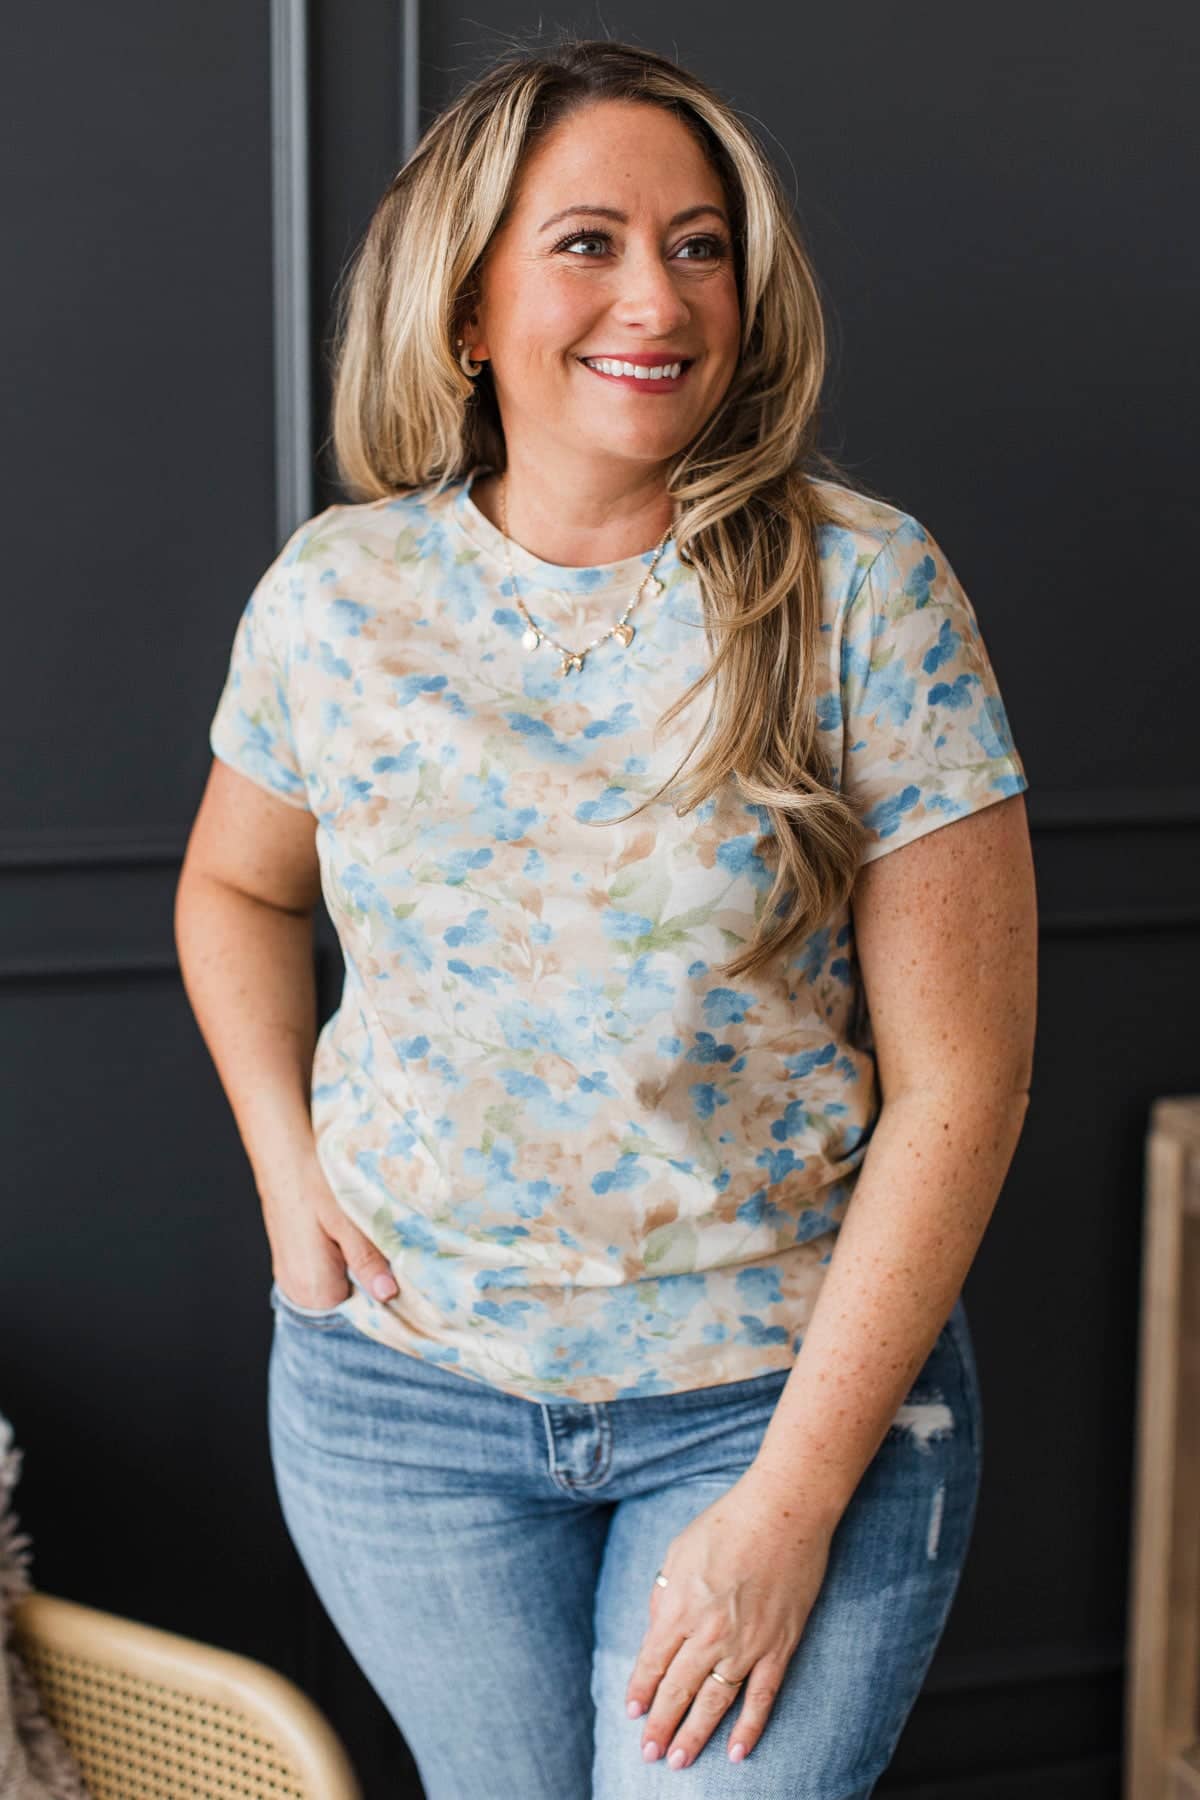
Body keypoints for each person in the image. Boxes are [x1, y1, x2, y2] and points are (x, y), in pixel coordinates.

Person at [175, 34, 1037, 1800]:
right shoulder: (340, 596)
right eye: (589, 242)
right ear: (466, 310)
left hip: (772, 1403)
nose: (660, 296)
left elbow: (968, 1082)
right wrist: (285, 1169)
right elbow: (235, 887)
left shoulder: (865, 592)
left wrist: (788, 1506)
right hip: (404, 1406)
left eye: (700, 246)